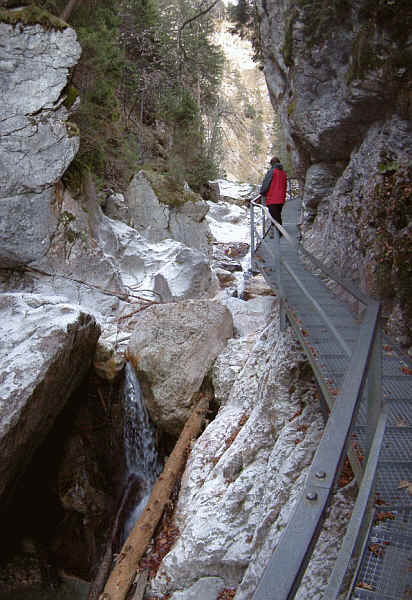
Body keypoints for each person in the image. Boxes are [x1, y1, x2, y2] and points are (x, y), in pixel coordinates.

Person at [260, 156, 287, 234]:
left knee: (274, 217)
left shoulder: (272, 171)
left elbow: (266, 183)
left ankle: (279, 234)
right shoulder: (283, 173)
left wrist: (262, 192)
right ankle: (277, 232)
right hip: (281, 198)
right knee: (277, 215)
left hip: (272, 198)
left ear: (272, 163)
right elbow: (285, 185)